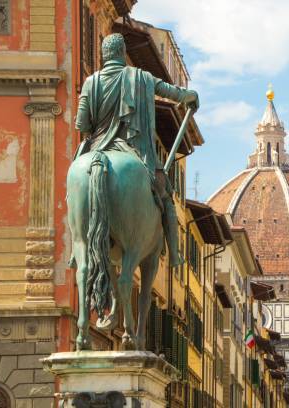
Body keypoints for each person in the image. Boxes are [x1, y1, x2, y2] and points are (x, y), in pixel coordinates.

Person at [75, 33, 198, 267]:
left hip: (97, 147)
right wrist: (190, 96)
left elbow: (81, 125)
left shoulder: (91, 82)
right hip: (136, 152)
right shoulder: (141, 78)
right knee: (167, 198)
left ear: (103, 55)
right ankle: (174, 254)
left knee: (75, 191)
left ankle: (76, 249)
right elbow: (172, 93)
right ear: (122, 54)